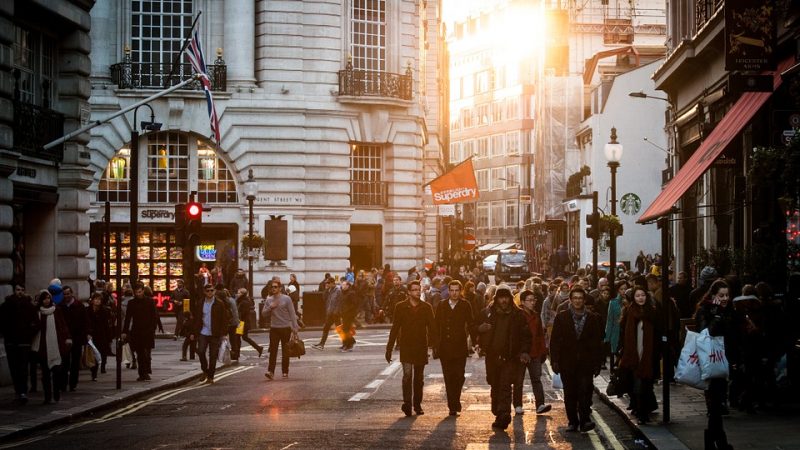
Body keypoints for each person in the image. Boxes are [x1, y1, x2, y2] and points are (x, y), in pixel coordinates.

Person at [476, 284, 532, 430]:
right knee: (494, 384)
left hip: (510, 357)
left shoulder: (518, 315)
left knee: (505, 386)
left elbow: (526, 335)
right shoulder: (488, 313)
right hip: (492, 356)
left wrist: (524, 351)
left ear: (510, 298)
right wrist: (479, 330)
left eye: (506, 297)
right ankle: (498, 411)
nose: (504, 300)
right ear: (496, 299)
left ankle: (504, 414)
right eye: (501, 297)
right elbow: (474, 326)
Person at [550, 286, 604, 432]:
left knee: (585, 391)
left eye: (580, 298)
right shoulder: (562, 317)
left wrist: (597, 363)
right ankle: (572, 421)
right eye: (575, 298)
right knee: (570, 393)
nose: (578, 301)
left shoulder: (592, 318)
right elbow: (555, 340)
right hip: (567, 362)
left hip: (586, 363)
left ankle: (585, 420)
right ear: (570, 300)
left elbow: (596, 342)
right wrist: (554, 360)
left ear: (584, 300)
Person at [694, 279, 738, 450]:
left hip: (724, 361)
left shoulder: (729, 310)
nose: (725, 298)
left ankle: (713, 440)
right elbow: (706, 333)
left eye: (727, 295)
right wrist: (718, 315)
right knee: (716, 402)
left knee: (717, 403)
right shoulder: (705, 310)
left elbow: (733, 338)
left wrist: (735, 360)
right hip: (710, 361)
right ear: (713, 295)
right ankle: (718, 441)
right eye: (721, 295)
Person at [385, 280, 437, 416]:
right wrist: (389, 348)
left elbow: (432, 328)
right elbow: (395, 328)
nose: (416, 292)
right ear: (408, 292)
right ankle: (407, 404)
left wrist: (435, 346)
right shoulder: (401, 307)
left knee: (419, 378)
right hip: (406, 346)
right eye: (413, 290)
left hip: (421, 346)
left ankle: (417, 404)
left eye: (418, 290)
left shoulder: (426, 307)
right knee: (407, 375)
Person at [618, 286, 660, 424]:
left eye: (643, 295)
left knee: (646, 385)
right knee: (638, 385)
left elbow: (659, 334)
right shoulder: (630, 312)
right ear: (634, 298)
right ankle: (641, 413)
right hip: (634, 355)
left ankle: (644, 411)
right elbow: (624, 334)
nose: (641, 298)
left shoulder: (652, 312)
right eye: (637, 296)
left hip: (649, 355)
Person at [433, 280, 476, 416]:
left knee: (459, 376)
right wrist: (434, 344)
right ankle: (453, 405)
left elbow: (471, 324)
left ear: (461, 291)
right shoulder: (442, 305)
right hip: (445, 347)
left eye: (457, 290)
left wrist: (475, 342)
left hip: (460, 347)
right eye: (451, 290)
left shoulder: (465, 305)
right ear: (448, 291)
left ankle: (455, 399)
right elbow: (436, 325)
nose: (454, 293)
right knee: (448, 376)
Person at [0, 284, 39, 404]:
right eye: (18, 290)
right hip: (11, 342)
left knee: (23, 368)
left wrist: (28, 334)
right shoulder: (6, 305)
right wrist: (6, 333)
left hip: (24, 342)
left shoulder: (29, 306)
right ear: (14, 291)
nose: (20, 292)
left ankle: (23, 392)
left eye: (22, 290)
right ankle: (18, 391)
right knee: (14, 368)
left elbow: (36, 323)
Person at [516, 289, 552, 415]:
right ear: (522, 302)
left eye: (534, 300)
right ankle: (518, 405)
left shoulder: (536, 316)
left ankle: (540, 404)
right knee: (518, 381)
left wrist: (543, 351)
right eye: (529, 300)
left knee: (536, 379)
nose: (532, 303)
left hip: (535, 353)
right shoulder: (517, 316)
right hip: (521, 354)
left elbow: (540, 336)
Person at [31, 290, 70, 404]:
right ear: (41, 300)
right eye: (44, 298)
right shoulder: (38, 312)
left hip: (56, 346)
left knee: (57, 371)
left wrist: (67, 338)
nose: (47, 300)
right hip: (43, 347)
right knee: (45, 374)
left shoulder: (56, 310)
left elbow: (62, 325)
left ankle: (56, 392)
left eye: (48, 298)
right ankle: (47, 397)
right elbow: (34, 328)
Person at [189, 284, 228, 383]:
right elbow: (196, 319)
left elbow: (224, 320)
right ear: (204, 292)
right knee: (201, 351)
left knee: (213, 355)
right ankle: (205, 370)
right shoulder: (200, 303)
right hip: (203, 332)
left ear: (214, 291)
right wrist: (193, 332)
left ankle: (210, 376)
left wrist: (224, 334)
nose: (210, 292)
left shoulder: (220, 303)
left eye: (211, 290)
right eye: (208, 291)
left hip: (215, 333)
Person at [122, 282, 159, 381]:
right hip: (137, 332)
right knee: (140, 354)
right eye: (136, 292)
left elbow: (154, 316)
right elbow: (128, 318)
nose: (138, 294)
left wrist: (153, 328)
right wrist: (124, 331)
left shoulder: (150, 302)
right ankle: (142, 373)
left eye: (139, 292)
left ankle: (146, 372)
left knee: (147, 354)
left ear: (143, 290)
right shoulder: (131, 303)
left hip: (148, 331)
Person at [262, 280, 299, 379]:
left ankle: (285, 371)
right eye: (272, 287)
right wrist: (270, 307)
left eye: (275, 287)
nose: (273, 289)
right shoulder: (269, 300)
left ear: (280, 288)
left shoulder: (286, 299)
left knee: (285, 351)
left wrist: (295, 329)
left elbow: (292, 314)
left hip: (285, 328)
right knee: (273, 351)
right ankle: (270, 371)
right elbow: (263, 313)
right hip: (274, 328)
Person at [58, 285, 88, 392]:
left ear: (72, 293)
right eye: (64, 294)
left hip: (77, 338)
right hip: (64, 339)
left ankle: (72, 384)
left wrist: (84, 337)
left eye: (68, 293)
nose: (66, 296)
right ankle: (63, 384)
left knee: (75, 363)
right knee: (64, 362)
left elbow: (84, 323)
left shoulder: (79, 306)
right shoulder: (60, 306)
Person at [87, 292, 113, 380]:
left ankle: (102, 366)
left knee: (102, 352)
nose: (97, 301)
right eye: (96, 299)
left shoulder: (104, 311)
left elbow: (107, 325)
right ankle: (94, 372)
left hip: (102, 335)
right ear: (92, 300)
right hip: (91, 335)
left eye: (99, 300)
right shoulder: (87, 310)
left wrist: (109, 338)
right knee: (93, 354)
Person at [312, 278, 341, 350]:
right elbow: (324, 299)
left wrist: (336, 312)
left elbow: (340, 302)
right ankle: (321, 344)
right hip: (330, 313)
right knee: (326, 328)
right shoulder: (329, 290)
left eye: (328, 283)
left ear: (332, 283)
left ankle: (348, 343)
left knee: (340, 329)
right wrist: (326, 290)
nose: (326, 284)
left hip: (335, 314)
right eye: (326, 283)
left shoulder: (338, 291)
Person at [236, 288, 263, 357]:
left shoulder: (243, 302)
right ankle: (258, 348)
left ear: (242, 294)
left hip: (242, 323)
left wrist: (238, 321)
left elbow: (242, 313)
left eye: (239, 293)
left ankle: (237, 353)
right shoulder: (243, 301)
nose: (237, 294)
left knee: (239, 338)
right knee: (243, 337)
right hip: (243, 322)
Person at [338, 279, 360, 352]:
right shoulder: (342, 293)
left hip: (349, 315)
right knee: (344, 330)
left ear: (348, 286)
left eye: (344, 285)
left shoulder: (351, 293)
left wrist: (348, 311)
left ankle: (348, 345)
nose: (342, 286)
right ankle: (347, 343)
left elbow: (354, 304)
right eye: (342, 285)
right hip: (344, 314)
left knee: (346, 330)